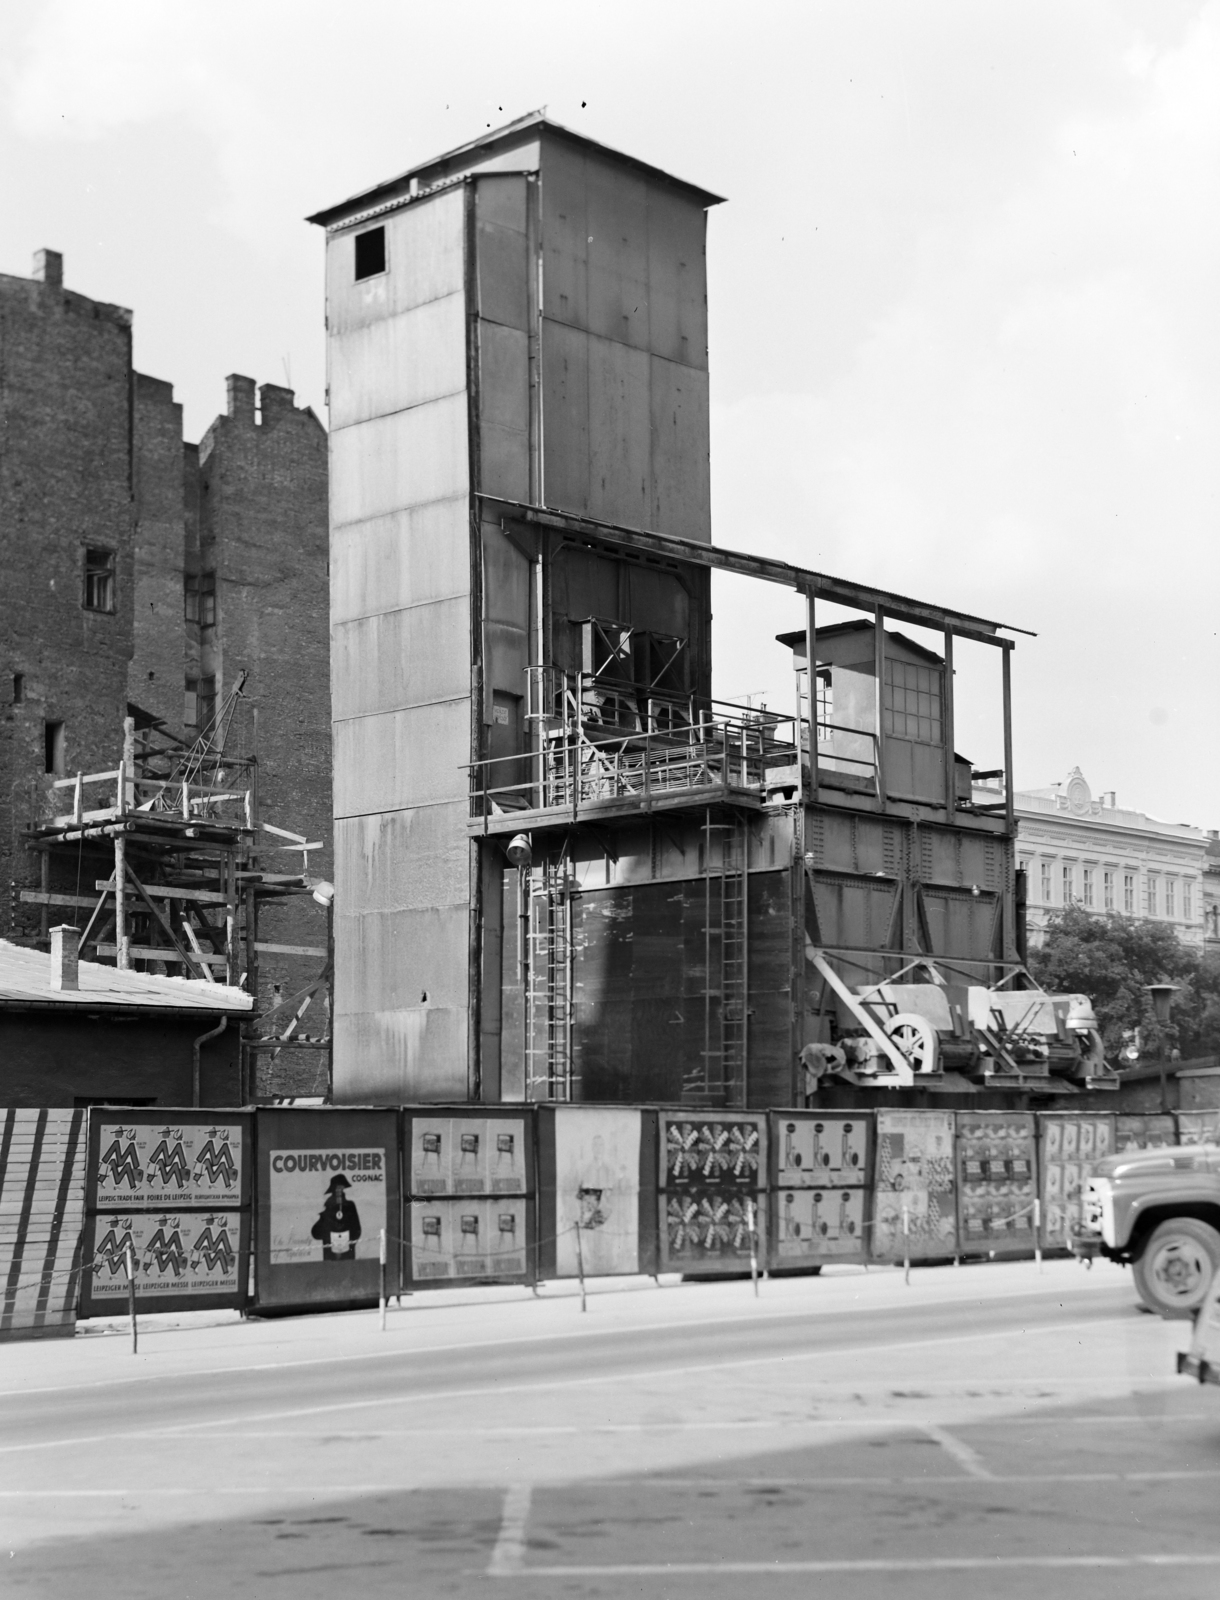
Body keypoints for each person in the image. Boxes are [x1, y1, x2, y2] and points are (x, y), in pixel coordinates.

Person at [311, 1173, 362, 1261]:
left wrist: (346, 1243)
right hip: (330, 1252)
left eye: (341, 1187)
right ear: (333, 1189)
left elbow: (357, 1229)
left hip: (347, 1251)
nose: (339, 1190)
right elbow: (317, 1232)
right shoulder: (328, 1207)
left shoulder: (350, 1206)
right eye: (336, 1187)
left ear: (343, 1188)